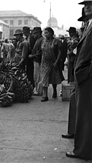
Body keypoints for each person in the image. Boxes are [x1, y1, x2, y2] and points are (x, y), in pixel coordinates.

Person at [66, 0, 92, 160]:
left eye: (91, 3)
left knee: (85, 113)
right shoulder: (89, 26)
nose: (88, 6)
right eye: (86, 4)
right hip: (83, 75)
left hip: (87, 76)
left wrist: (88, 71)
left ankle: (82, 150)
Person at [39, 27, 64, 102]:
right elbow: (41, 52)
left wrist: (56, 62)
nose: (45, 34)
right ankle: (45, 95)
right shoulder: (43, 41)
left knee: (53, 77)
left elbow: (60, 52)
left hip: (53, 62)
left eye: (47, 33)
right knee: (44, 78)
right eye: (44, 33)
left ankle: (55, 91)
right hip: (45, 62)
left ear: (51, 33)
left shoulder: (56, 41)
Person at [29, 27, 43, 95]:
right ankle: (37, 89)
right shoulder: (38, 40)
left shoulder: (41, 40)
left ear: (38, 33)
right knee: (36, 76)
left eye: (34, 34)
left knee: (38, 76)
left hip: (38, 60)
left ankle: (38, 90)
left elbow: (40, 52)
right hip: (36, 60)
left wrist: (32, 56)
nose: (33, 35)